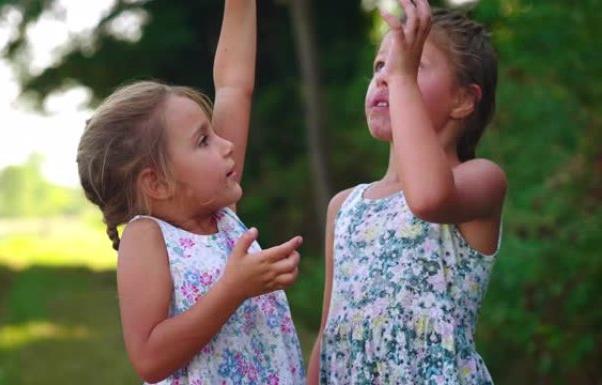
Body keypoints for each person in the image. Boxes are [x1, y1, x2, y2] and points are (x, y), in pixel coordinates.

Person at [76, 0, 306, 383]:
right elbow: (149, 358)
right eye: (203, 140)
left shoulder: (219, 208)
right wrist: (234, 289)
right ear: (157, 183)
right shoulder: (147, 237)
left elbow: (233, 84)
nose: (226, 144)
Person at [307, 1, 506, 384]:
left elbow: (429, 198)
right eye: (380, 66)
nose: (386, 76)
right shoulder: (344, 207)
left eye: (410, 65)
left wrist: (400, 81)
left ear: (463, 100)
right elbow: (329, 333)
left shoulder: (481, 179)